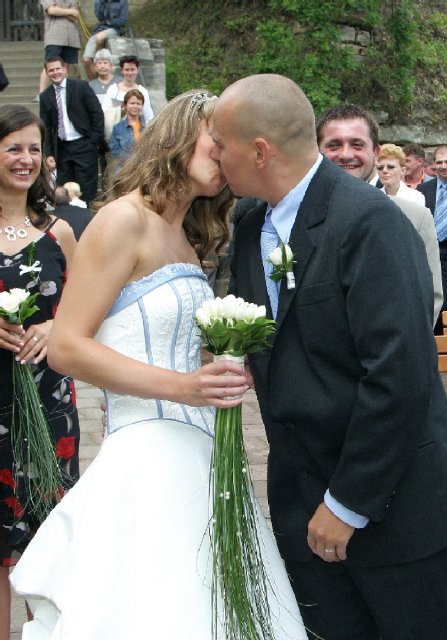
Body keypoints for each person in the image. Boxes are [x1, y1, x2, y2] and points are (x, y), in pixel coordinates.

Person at [10, 90, 308, 640]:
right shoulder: (122, 220)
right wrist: (183, 386)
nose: (225, 151)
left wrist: (222, 362)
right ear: (180, 133)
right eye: (216, 137)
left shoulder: (189, 236)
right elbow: (68, 346)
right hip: (145, 453)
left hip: (203, 451)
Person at [211, 74, 447, 640]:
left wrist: (347, 503)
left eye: (221, 145)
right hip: (301, 504)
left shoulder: (369, 220)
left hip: (396, 510)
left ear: (259, 152)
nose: (216, 155)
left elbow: (399, 374)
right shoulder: (249, 224)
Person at [0, 105, 80, 640]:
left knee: (46, 539)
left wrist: (55, 328)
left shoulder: (60, 232)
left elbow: (86, 310)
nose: (25, 159)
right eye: (13, 147)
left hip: (49, 403)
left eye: (34, 148)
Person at [316, 103, 443, 327]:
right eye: (334, 145)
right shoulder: (295, 217)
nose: (345, 154)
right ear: (317, 152)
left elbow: (429, 299)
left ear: (376, 153)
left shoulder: (415, 218)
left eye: (357, 144)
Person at [40, 56, 105, 207]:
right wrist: (49, 154)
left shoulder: (80, 87)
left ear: (64, 69)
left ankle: (87, 216)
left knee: (87, 187)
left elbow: (96, 112)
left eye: (58, 69)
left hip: (84, 144)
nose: (55, 72)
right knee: (64, 188)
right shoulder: (45, 96)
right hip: (62, 148)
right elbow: (46, 127)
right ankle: (68, 218)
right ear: (47, 73)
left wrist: (94, 140)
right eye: (51, 70)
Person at [418, 144, 447, 333]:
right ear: (433, 165)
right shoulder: (423, 189)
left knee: (445, 300)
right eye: (439, 162)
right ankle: (435, 340)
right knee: (434, 299)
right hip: (431, 249)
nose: (443, 166)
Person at [37, 1, 80, 97]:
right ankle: (41, 94)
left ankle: (63, 93)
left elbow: (75, 16)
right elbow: (51, 11)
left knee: (66, 66)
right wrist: (69, 11)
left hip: (70, 36)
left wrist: (59, 9)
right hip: (54, 36)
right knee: (49, 64)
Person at [83, 0, 128, 80]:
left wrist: (108, 22)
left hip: (114, 29)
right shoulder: (100, 1)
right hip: (99, 30)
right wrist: (99, 2)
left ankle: (99, 62)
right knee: (87, 60)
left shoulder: (122, 2)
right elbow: (99, 17)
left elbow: (123, 20)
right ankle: (95, 84)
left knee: (100, 37)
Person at [106, 54, 154, 124]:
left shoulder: (143, 91)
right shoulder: (113, 89)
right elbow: (105, 111)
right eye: (127, 70)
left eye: (132, 69)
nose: (130, 73)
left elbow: (148, 116)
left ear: (137, 70)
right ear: (122, 71)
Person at [109, 88, 144, 169]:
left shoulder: (148, 127)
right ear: (125, 105)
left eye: (138, 104)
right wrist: (132, 160)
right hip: (123, 168)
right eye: (132, 103)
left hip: (143, 167)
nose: (135, 106)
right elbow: (115, 151)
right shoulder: (117, 128)